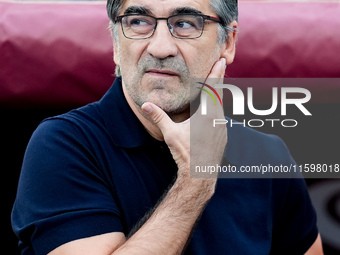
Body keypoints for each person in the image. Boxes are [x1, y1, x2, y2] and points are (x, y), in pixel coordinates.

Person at [11, 0, 323, 254]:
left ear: (228, 42)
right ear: (116, 44)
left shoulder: (266, 153)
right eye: (138, 22)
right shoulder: (62, 144)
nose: (160, 47)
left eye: (185, 23)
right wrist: (194, 184)